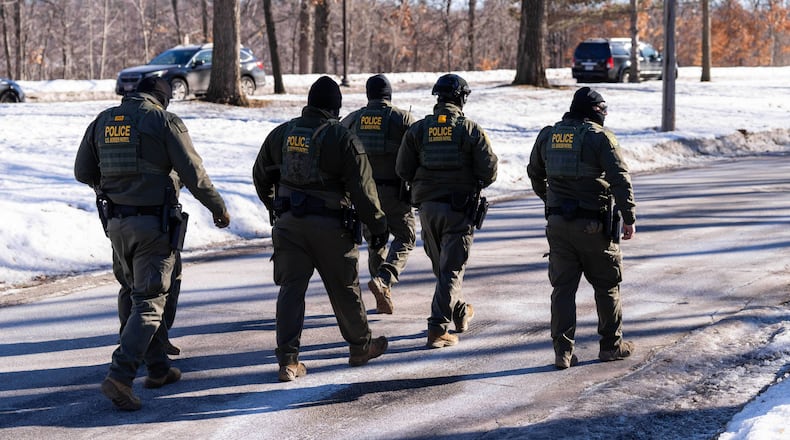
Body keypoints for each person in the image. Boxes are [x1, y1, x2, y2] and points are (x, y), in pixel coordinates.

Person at [74, 76, 231, 410]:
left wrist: (116, 189)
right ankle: (121, 374)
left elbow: (82, 171)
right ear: (163, 97)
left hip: (116, 224)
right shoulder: (163, 120)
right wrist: (218, 207)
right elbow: (193, 172)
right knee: (150, 300)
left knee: (132, 290)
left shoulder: (103, 120)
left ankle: (158, 368)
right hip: (153, 225)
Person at [252, 76, 390, 382]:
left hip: (288, 226)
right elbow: (363, 190)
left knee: (291, 291)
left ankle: (288, 361)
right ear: (335, 108)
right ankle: (360, 347)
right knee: (345, 289)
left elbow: (260, 174)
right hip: (331, 228)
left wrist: (275, 206)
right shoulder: (342, 138)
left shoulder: (283, 134)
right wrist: (378, 226)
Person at [526, 86, 637, 370]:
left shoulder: (549, 135)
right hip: (593, 225)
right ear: (594, 111)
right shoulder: (600, 138)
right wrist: (629, 217)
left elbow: (534, 172)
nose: (606, 115)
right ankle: (611, 346)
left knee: (563, 289)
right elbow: (619, 178)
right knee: (607, 285)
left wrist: (549, 200)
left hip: (558, 224)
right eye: (603, 110)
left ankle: (562, 352)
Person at [396, 73, 498, 349]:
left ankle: (459, 311)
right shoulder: (470, 130)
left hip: (427, 209)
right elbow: (489, 171)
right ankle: (438, 328)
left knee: (443, 267)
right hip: (458, 209)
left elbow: (402, 169)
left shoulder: (418, 130)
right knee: (451, 269)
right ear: (461, 98)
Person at [341, 74, 416, 314]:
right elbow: (418, 151)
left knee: (376, 240)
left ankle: (382, 290)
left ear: (368, 94)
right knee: (406, 237)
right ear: (389, 95)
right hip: (394, 192)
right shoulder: (402, 118)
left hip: (364, 195)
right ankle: (385, 278)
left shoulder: (353, 119)